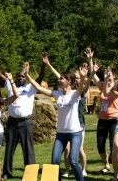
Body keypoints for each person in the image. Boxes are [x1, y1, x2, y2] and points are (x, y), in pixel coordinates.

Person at [0, 48, 45, 179]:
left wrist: (43, 65)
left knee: (28, 149)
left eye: (22, 76)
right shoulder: (10, 84)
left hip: (26, 122)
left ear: (26, 77)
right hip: (12, 122)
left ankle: (30, 173)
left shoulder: (30, 87)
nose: (20, 77)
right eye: (19, 76)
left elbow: (41, 77)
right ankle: (7, 173)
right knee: (9, 149)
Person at [25, 62, 86, 181]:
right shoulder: (58, 94)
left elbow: (81, 86)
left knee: (73, 161)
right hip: (61, 134)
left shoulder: (75, 94)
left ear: (68, 80)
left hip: (75, 133)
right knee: (54, 161)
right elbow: (38, 88)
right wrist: (27, 76)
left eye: (61, 78)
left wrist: (83, 77)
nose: (59, 80)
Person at [44, 49, 94, 177]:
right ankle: (65, 173)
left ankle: (82, 171)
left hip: (78, 126)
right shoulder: (62, 92)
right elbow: (59, 77)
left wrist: (86, 74)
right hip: (63, 130)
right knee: (61, 156)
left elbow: (86, 83)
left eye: (78, 77)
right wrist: (48, 65)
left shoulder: (78, 92)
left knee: (75, 156)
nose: (78, 79)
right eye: (76, 77)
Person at [92, 65, 118, 177]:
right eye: (106, 73)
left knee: (114, 146)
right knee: (100, 145)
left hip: (114, 120)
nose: (107, 75)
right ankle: (106, 165)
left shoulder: (117, 87)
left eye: (109, 73)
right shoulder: (103, 85)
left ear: (114, 76)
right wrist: (90, 61)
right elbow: (93, 76)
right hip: (102, 120)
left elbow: (107, 94)